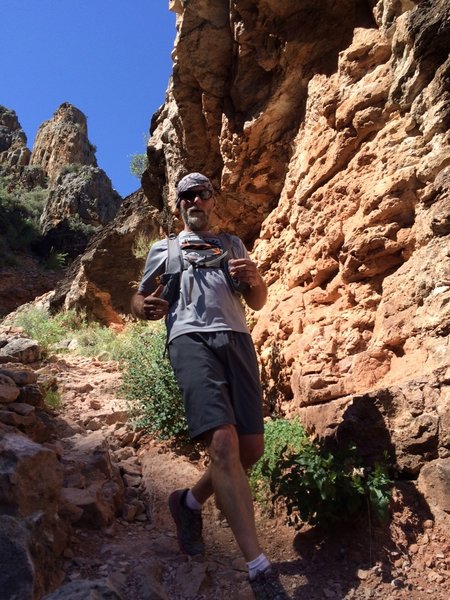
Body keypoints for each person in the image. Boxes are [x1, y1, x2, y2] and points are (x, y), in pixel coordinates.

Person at [131, 173, 290, 600]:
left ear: (213, 201)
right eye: (187, 195)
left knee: (250, 450)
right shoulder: (163, 248)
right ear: (178, 204)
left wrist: (256, 278)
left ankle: (188, 503)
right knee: (223, 444)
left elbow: (257, 301)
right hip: (189, 340)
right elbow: (139, 298)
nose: (195, 199)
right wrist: (144, 305)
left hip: (237, 340)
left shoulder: (233, 245)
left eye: (203, 193)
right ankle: (259, 569)